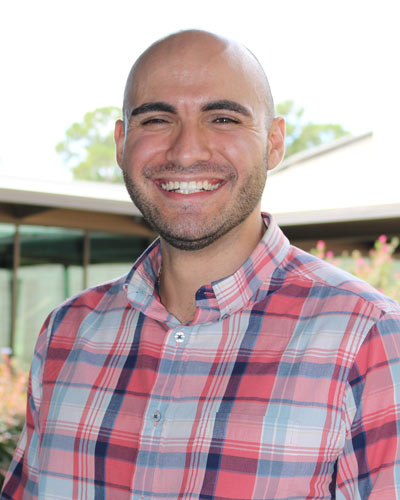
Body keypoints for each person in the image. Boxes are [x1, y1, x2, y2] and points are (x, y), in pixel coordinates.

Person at [2, 29, 400, 500]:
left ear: (274, 143)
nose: (187, 151)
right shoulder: (68, 333)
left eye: (224, 118)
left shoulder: (370, 339)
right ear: (121, 142)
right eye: (155, 120)